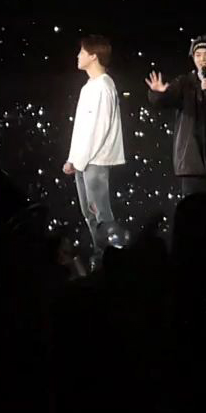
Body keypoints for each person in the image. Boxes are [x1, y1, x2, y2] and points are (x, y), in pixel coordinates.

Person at [146, 34, 206, 198]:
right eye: (198, 55)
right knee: (196, 209)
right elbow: (165, 100)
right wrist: (158, 93)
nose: (202, 59)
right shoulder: (184, 83)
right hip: (192, 162)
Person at [62, 34, 126, 252]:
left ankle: (114, 258)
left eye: (82, 52)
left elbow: (99, 130)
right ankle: (101, 255)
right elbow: (81, 128)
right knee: (90, 215)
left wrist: (78, 160)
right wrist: (73, 158)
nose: (78, 56)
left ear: (93, 56)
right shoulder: (89, 86)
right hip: (83, 161)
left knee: (102, 216)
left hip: (95, 161)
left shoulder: (104, 87)